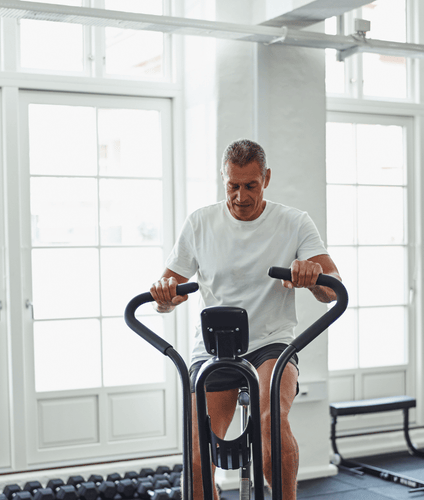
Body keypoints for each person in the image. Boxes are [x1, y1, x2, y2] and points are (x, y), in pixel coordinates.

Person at [150, 139, 340, 500]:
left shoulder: (295, 222)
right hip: (213, 347)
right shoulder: (200, 222)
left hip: (272, 343)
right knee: (196, 452)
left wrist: (313, 277)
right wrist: (162, 297)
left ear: (266, 178)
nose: (240, 196)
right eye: (232, 186)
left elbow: (333, 291)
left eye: (250, 185)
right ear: (224, 180)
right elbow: (167, 295)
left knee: (270, 423)